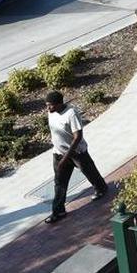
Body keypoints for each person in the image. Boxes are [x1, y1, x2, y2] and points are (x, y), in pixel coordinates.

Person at [45, 91, 108, 223]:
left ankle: (101, 188)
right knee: (59, 183)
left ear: (59, 104)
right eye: (47, 105)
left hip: (77, 153)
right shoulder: (51, 113)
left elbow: (77, 136)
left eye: (50, 105)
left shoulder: (71, 113)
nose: (48, 108)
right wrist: (61, 156)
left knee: (90, 173)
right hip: (58, 153)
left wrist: (66, 158)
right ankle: (58, 211)